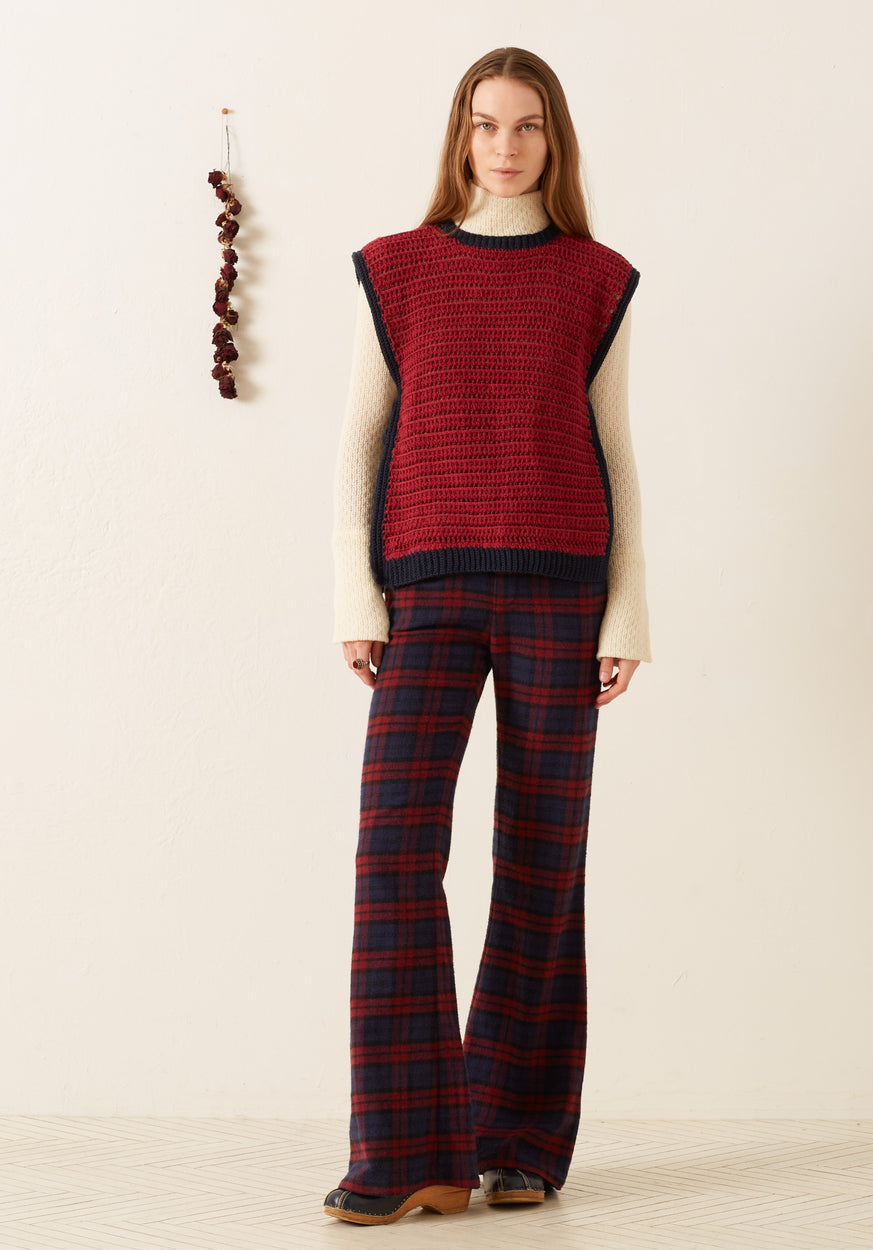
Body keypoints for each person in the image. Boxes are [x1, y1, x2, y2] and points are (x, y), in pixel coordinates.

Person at [324, 46, 653, 1226]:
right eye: (484, 123)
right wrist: (356, 596)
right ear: (458, 137)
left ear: (554, 141)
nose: (504, 146)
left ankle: (516, 1138)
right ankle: (410, 1150)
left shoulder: (594, 278)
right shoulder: (397, 268)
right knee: (393, 851)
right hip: (425, 588)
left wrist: (628, 611)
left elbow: (615, 449)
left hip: (564, 588)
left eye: (526, 125)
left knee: (541, 859)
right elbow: (361, 439)